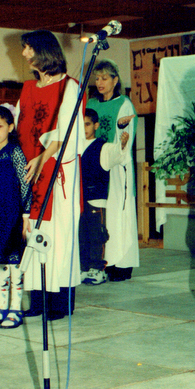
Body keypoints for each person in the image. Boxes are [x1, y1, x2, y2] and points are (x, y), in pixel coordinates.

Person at [17, 29, 85, 320]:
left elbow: (68, 134)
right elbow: (17, 125)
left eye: (28, 48)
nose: (23, 54)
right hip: (32, 171)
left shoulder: (70, 87)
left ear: (43, 51)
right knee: (34, 232)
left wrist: (43, 157)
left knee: (58, 235)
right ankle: (38, 299)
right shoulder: (28, 89)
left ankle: (60, 301)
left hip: (58, 172)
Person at [0, 106, 32, 329]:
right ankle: (1, 308)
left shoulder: (15, 152)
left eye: (0, 126)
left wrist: (26, 215)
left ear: (10, 127)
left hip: (12, 215)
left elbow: (25, 182)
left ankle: (15, 308)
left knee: (14, 262)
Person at [86, 59, 139, 281]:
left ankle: (122, 264)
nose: (100, 82)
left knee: (119, 214)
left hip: (116, 167)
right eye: (97, 78)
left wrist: (116, 150)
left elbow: (125, 136)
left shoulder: (124, 103)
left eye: (105, 78)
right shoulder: (91, 103)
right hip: (94, 166)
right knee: (99, 218)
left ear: (115, 80)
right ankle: (101, 262)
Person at [80, 108, 131, 285]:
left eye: (87, 124)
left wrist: (122, 145)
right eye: (80, 124)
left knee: (96, 235)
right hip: (77, 200)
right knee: (81, 235)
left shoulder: (102, 146)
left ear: (96, 125)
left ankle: (97, 269)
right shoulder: (73, 146)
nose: (83, 128)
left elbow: (116, 153)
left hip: (95, 199)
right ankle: (83, 267)